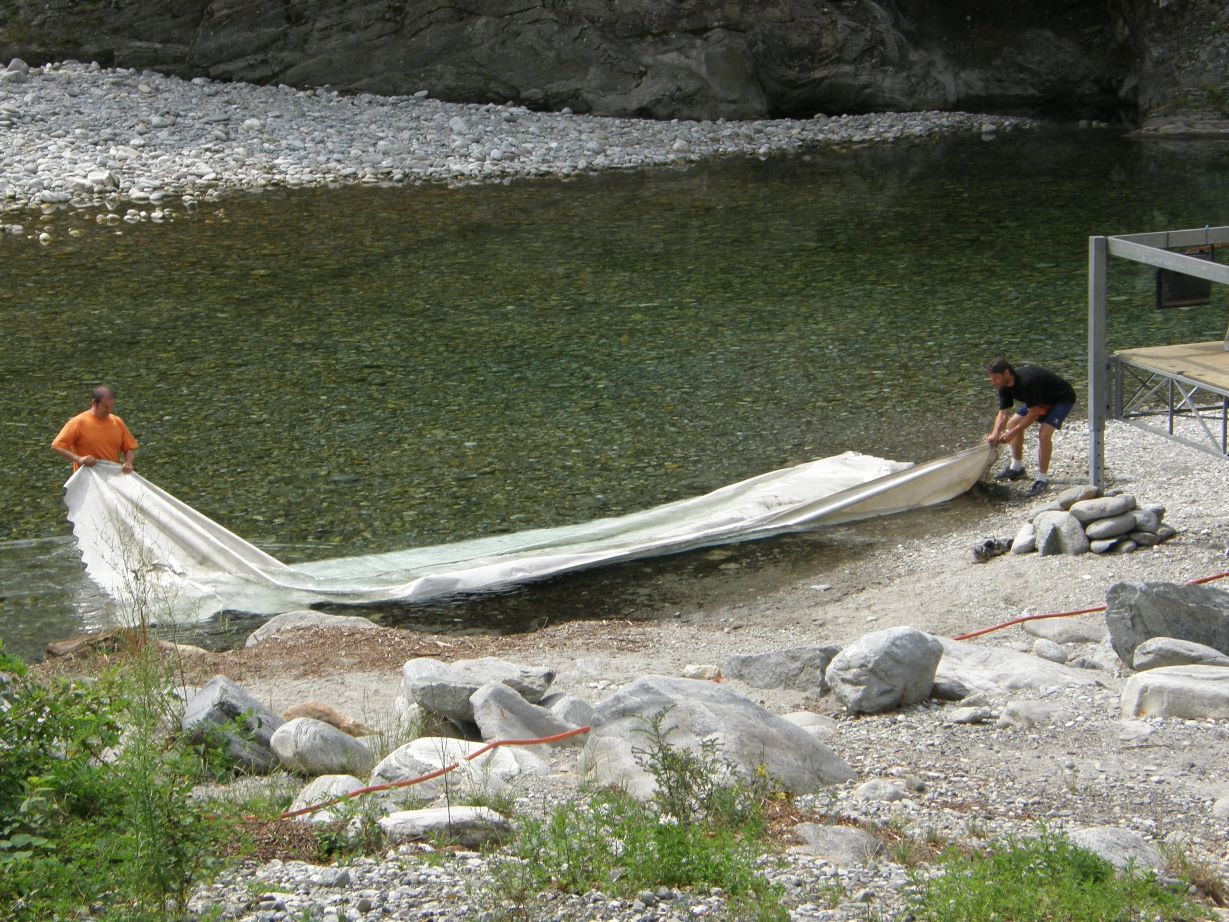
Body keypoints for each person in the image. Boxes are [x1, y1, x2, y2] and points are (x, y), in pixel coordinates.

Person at [984, 358, 1076, 497]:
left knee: (1044, 434)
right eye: (992, 378)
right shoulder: (1003, 387)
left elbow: (1033, 414)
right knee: (1012, 423)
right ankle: (1017, 468)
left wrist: (1012, 434)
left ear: (1007, 373)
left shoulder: (1027, 383)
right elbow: (1003, 414)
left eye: (996, 378)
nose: (994, 382)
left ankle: (1042, 479)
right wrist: (995, 433)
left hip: (1061, 398)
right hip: (1040, 399)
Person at [51, 385, 139, 474]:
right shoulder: (78, 422)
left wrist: (128, 463)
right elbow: (57, 446)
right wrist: (79, 459)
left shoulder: (117, 422)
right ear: (94, 403)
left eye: (111, 406)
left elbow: (129, 447)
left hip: (110, 478)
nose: (109, 410)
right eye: (105, 407)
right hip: (86, 479)